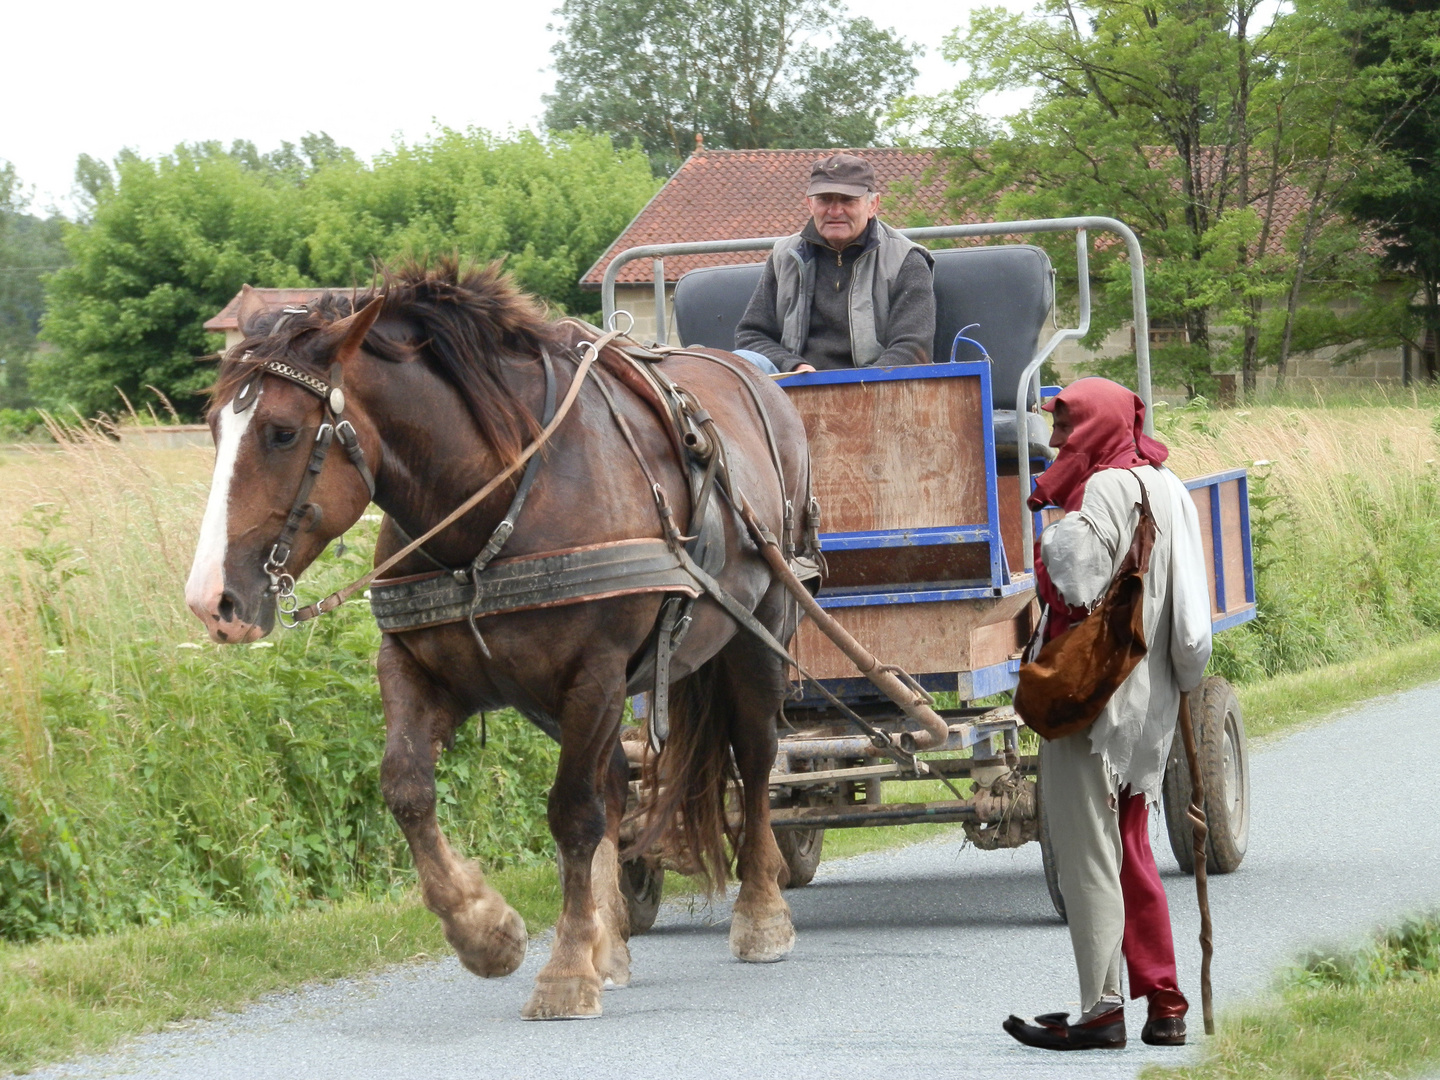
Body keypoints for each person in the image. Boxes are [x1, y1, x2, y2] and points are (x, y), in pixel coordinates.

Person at [1004, 377, 1213, 1051]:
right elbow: (1192, 633)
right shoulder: (1172, 488)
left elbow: (1074, 578)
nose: (1057, 439)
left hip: (1091, 703)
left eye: (1067, 425)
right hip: (1148, 708)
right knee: (1128, 844)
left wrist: (1053, 530)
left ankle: (1101, 1008)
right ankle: (1166, 1002)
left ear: (1095, 427)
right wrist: (1178, 688)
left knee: (1086, 850)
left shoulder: (1101, 491)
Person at [732, 153, 936, 375]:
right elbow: (751, 335)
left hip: (874, 388)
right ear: (810, 204)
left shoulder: (906, 260)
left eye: (847, 200)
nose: (835, 211)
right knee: (739, 361)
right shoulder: (784, 257)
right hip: (793, 387)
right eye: (825, 199)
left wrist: (862, 387)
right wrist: (791, 365)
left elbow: (913, 348)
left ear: (872, 205)